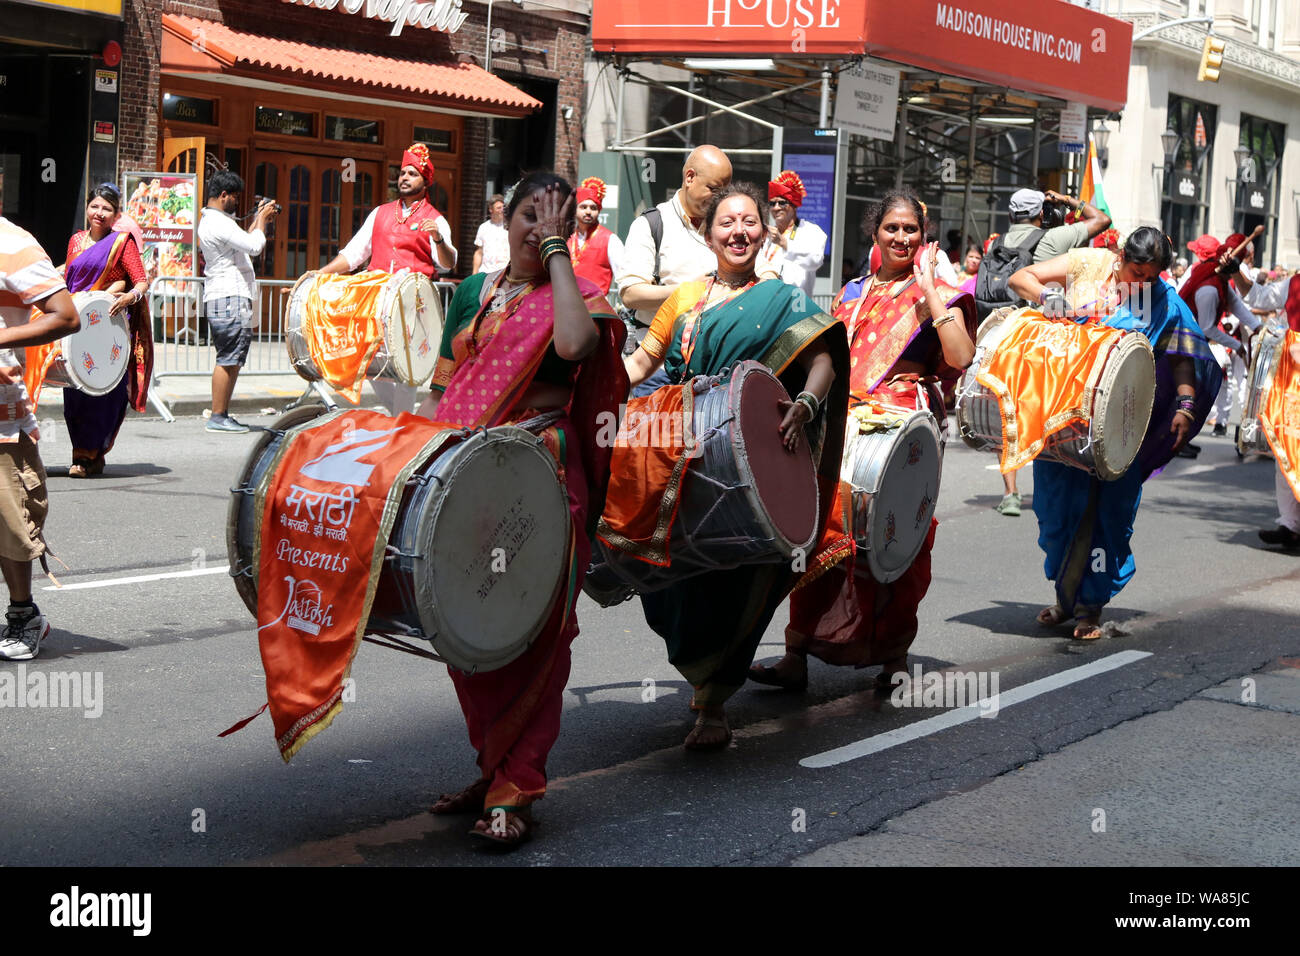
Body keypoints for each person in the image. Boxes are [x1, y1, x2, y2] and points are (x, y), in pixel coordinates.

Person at [418, 172, 628, 848]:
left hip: (539, 475)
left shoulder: (580, 298)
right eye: (529, 216)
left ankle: (518, 785)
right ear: (505, 216)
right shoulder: (477, 293)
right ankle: (492, 766)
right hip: (465, 473)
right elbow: (442, 386)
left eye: (555, 218)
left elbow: (573, 347)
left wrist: (561, 253)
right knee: (464, 618)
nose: (539, 229)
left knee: (536, 627)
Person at [620, 182, 849, 749]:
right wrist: (600, 390)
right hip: (674, 451)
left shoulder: (779, 297)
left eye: (749, 222)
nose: (739, 232)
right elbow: (646, 358)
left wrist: (807, 401)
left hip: (740, 459)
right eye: (727, 223)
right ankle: (702, 677)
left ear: (763, 233)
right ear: (708, 232)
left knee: (734, 575)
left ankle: (713, 705)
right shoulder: (683, 296)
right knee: (668, 579)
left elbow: (822, 356)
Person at [750, 188, 976, 693]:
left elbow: (960, 357)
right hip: (841, 426)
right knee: (817, 533)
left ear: (925, 236)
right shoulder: (852, 292)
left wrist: (931, 290)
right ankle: (797, 651)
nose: (901, 237)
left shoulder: (939, 291)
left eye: (911, 230)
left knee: (898, 534)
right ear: (875, 232)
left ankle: (893, 655)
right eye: (891, 228)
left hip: (902, 433)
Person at [1007, 228, 1220, 639]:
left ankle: (1090, 608)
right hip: (1062, 420)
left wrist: (1185, 405)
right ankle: (1065, 597)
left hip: (1123, 423)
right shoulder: (1089, 264)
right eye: (1134, 271)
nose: (1138, 282)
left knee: (1109, 516)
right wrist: (1047, 296)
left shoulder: (1159, 300)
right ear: (1120, 256)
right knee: (1056, 514)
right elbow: (1021, 277)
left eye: (1149, 276)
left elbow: (1181, 356)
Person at [319, 144, 457, 416]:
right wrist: (318, 275)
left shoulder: (435, 220)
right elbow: (353, 254)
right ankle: (403, 420)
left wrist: (438, 239)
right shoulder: (380, 213)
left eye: (412, 174)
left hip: (412, 306)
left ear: (425, 180)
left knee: (405, 371)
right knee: (369, 364)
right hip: (375, 302)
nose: (404, 178)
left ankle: (402, 428)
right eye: (402, 173)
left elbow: (448, 263)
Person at [0, 218, 81, 661]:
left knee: (11, 526)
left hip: (2, 422)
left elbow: (66, 316)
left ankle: (23, 613)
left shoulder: (14, 244)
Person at [42, 185, 153, 476]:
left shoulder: (122, 242)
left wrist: (129, 295)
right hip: (76, 326)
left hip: (108, 327)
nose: (99, 213)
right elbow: (69, 279)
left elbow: (140, 281)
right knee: (75, 392)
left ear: (116, 214)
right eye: (95, 206)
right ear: (87, 208)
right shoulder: (76, 240)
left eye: (107, 209)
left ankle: (90, 455)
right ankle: (81, 452)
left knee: (102, 393)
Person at [618, 145, 732, 395]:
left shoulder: (727, 228)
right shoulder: (651, 224)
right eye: (713, 189)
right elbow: (630, 293)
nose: (718, 199)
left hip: (714, 374)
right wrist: (689, 292)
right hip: (656, 372)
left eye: (724, 191)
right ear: (689, 177)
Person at [198, 170, 278, 434]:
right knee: (229, 358)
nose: (236, 201)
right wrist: (263, 219)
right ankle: (218, 415)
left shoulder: (217, 221)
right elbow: (255, 247)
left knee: (233, 357)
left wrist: (258, 217)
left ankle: (222, 414)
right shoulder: (218, 223)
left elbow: (245, 242)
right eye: (234, 196)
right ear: (223, 195)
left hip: (228, 296)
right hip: (228, 297)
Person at [1177, 233, 1259, 442]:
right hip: (1181, 341)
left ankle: (1183, 438)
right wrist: (1238, 346)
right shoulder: (1209, 288)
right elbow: (1207, 328)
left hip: (1195, 342)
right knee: (1188, 393)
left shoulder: (1221, 281)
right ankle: (1175, 438)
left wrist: (1258, 327)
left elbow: (1237, 306)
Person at [1243, 267, 1300, 549]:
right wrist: (1236, 274)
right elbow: (1258, 296)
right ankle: (1289, 525)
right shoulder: (1293, 283)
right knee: (1285, 448)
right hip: (1292, 375)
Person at [756, 170, 827, 297]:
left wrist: (785, 244)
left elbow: (815, 261)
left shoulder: (811, 231)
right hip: (767, 301)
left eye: (782, 203)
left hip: (796, 304)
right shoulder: (767, 233)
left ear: (794, 205)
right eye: (772, 203)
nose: (776, 208)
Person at [566, 177, 624, 297]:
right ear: (575, 210)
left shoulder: (610, 240)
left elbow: (624, 277)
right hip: (567, 307)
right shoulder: (567, 238)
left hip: (597, 309)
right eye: (583, 207)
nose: (588, 211)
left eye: (593, 208)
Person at [471, 194, 508, 274]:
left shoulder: (510, 227)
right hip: (486, 272)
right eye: (498, 208)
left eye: (503, 207)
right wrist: (474, 274)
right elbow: (479, 252)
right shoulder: (483, 227)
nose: (502, 210)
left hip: (504, 273)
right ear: (491, 209)